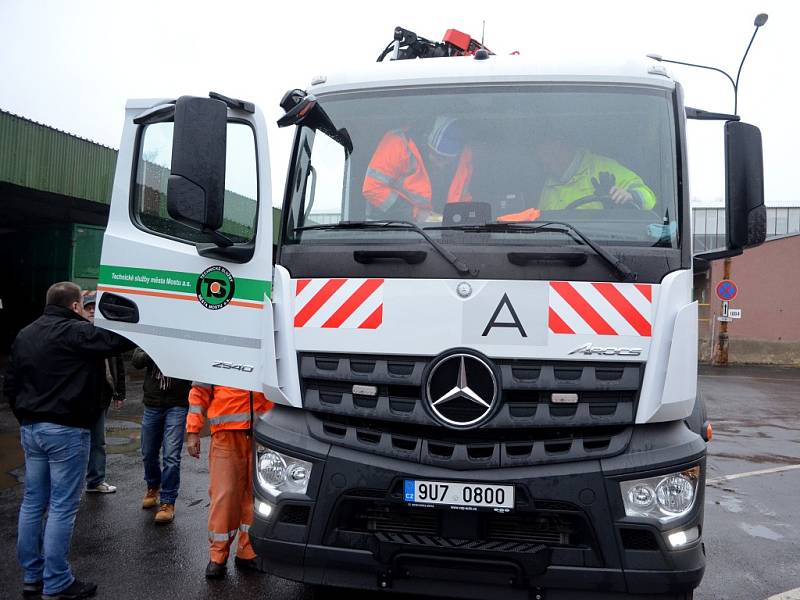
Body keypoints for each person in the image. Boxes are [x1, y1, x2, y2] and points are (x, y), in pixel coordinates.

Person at [3, 282, 133, 600]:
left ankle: (33, 578)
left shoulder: (25, 334)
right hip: (66, 430)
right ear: (75, 307)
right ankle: (57, 581)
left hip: (32, 429)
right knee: (62, 506)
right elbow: (119, 341)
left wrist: (27, 419)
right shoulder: (76, 332)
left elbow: (11, 384)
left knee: (33, 503)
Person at [186, 383, 272, 579]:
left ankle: (248, 551)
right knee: (224, 496)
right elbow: (199, 391)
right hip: (226, 433)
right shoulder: (219, 352)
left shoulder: (265, 351)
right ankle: (217, 556)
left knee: (257, 497)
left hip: (263, 432)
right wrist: (193, 431)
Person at [362, 116, 473, 221]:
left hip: (441, 234)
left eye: (447, 159)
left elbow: (462, 196)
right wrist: (415, 213)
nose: (441, 165)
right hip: (388, 229)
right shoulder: (398, 143)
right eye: (436, 156)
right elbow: (372, 188)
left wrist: (464, 222)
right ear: (425, 141)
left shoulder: (464, 156)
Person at [131, 348, 191, 524]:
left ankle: (167, 502)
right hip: (153, 402)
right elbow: (136, 360)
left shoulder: (184, 336)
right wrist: (154, 351)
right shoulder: (152, 334)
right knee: (148, 451)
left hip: (178, 403)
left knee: (171, 456)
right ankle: (152, 486)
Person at [534, 135, 657, 211]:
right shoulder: (550, 183)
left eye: (547, 163)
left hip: (601, 247)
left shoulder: (604, 168)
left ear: (560, 148)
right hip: (558, 249)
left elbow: (648, 197)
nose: (545, 169)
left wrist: (631, 196)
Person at [80, 291, 126, 495]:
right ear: (79, 309)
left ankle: (95, 480)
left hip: (100, 397)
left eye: (93, 308)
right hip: (78, 399)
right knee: (78, 441)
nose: (91, 311)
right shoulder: (76, 333)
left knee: (98, 441)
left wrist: (119, 393)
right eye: (87, 308)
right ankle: (73, 483)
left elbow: (118, 365)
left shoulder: (105, 333)